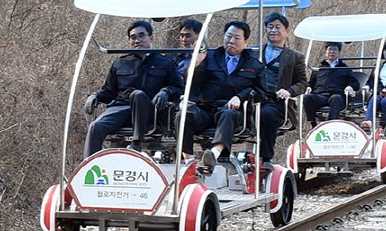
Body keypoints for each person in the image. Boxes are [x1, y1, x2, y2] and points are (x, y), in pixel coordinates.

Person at [186, 20, 271, 171]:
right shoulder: (209, 57)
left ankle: (213, 154)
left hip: (233, 111)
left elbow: (261, 92)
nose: (231, 41)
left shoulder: (254, 65)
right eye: (228, 36)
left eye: (237, 38)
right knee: (184, 115)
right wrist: (195, 65)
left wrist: (240, 97)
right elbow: (189, 83)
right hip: (206, 108)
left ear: (246, 42)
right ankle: (188, 159)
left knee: (229, 114)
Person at [84, 20, 175, 154]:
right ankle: (89, 163)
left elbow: (178, 88)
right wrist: (95, 96)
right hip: (122, 107)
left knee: (138, 95)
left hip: (149, 111)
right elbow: (109, 91)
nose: (137, 40)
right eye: (133, 37)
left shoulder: (165, 63)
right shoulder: (120, 63)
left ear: (151, 37)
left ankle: (136, 143)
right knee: (96, 126)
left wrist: (165, 92)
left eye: (141, 35)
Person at [256, 12, 308, 162]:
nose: (273, 30)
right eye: (270, 27)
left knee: (267, 114)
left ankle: (265, 158)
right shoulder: (254, 52)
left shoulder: (295, 57)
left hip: (276, 101)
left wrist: (289, 91)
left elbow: (302, 83)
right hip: (254, 97)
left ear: (287, 31)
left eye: (278, 27)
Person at [153, 18, 205, 132]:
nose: (184, 39)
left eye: (188, 36)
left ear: (199, 36)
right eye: (182, 35)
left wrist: (197, 59)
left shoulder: (207, 58)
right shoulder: (171, 56)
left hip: (193, 99)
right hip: (172, 96)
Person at [302, 41, 361, 123]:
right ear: (326, 52)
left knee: (336, 98)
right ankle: (313, 123)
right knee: (307, 97)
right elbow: (311, 82)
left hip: (336, 96)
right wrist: (308, 87)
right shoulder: (319, 69)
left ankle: (330, 123)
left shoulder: (344, 68)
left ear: (339, 52)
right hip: (320, 96)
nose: (332, 52)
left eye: (335, 49)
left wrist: (349, 87)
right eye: (329, 49)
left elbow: (355, 83)